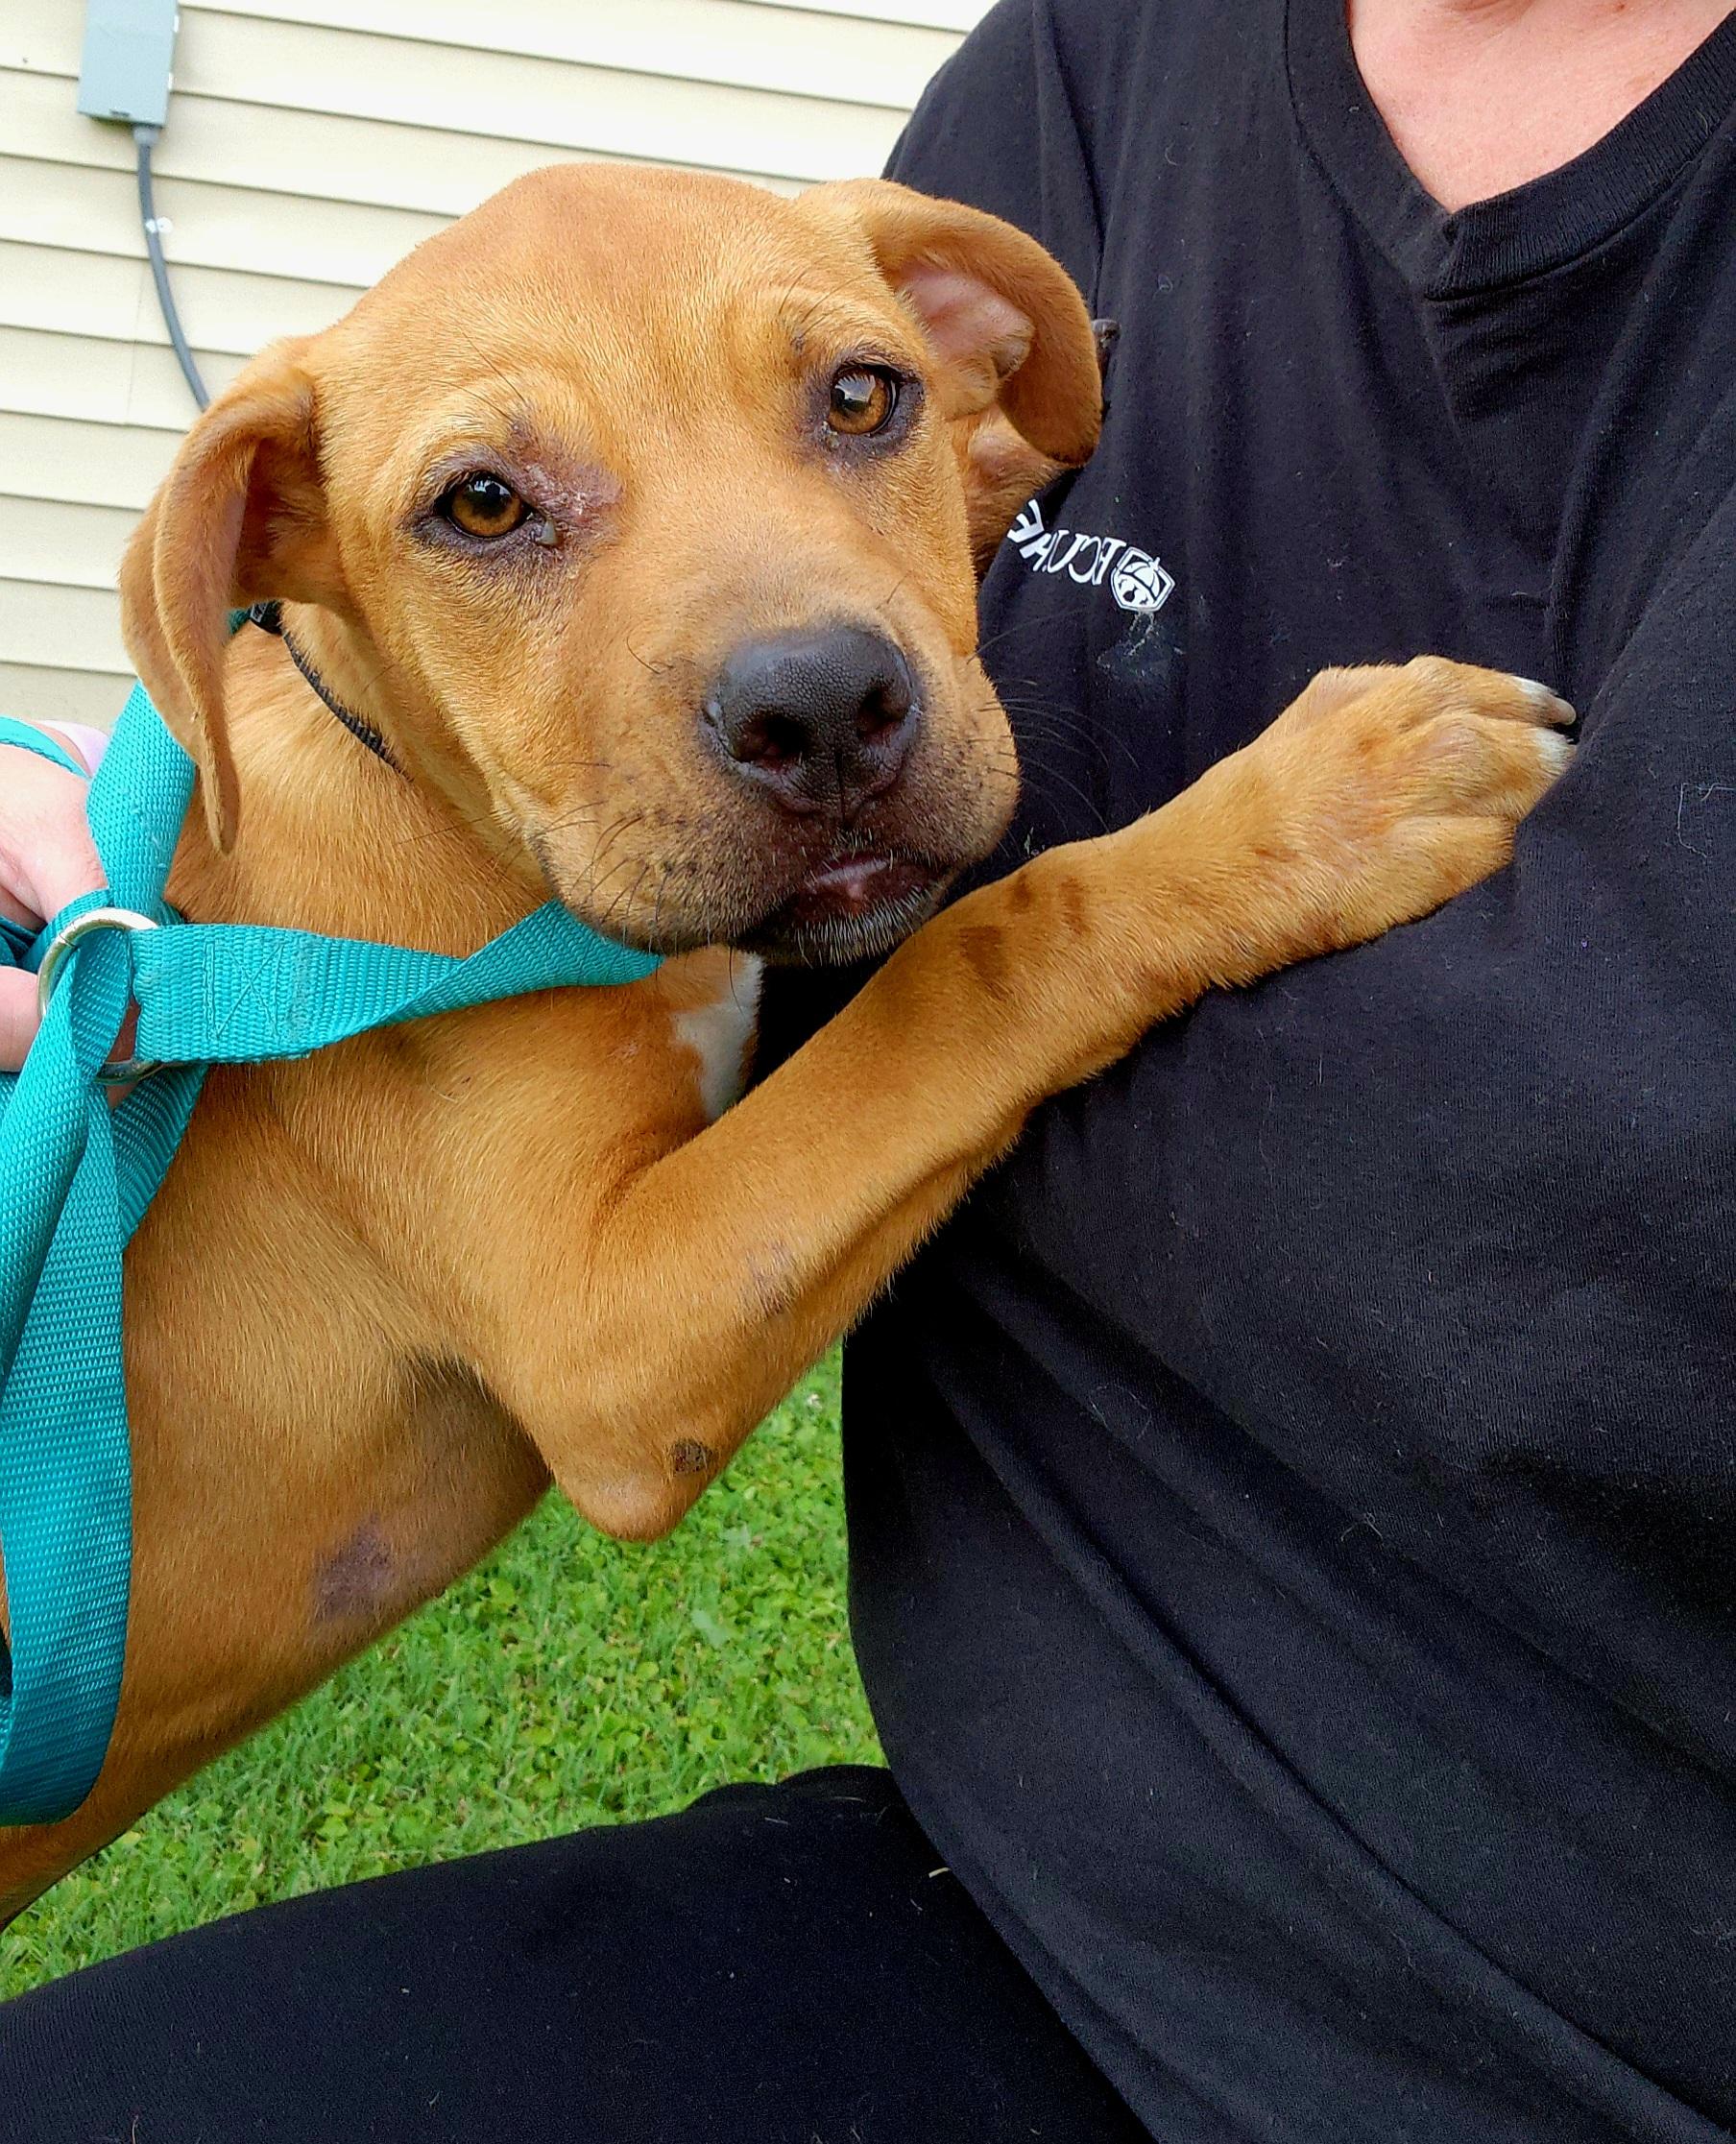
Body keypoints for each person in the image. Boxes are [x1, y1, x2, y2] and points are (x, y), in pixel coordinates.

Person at [5, 0, 1735, 2133]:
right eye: (490, 506)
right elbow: (622, 1390)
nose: (796, 659)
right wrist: (1110, 910)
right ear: (269, 551)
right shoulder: (306, 891)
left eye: (850, 402)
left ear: (980, 369)